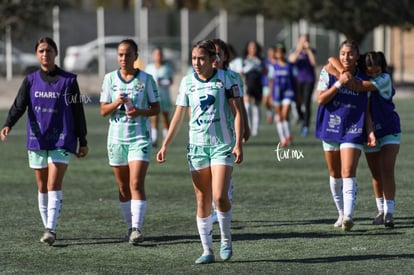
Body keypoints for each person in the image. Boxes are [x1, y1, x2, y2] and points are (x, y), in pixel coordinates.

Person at [156, 39, 244, 264]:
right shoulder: (187, 82)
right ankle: (207, 250)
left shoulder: (226, 79)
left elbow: (237, 112)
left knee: (220, 196)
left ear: (213, 60)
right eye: (194, 58)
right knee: (202, 199)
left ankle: (226, 239)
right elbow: (178, 116)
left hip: (222, 145)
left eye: (201, 58)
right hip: (197, 147)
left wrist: (238, 143)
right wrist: (165, 144)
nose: (196, 62)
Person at [0, 37, 88, 245]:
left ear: (55, 53)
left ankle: (51, 229)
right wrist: (8, 124)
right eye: (41, 51)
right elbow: (19, 105)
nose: (45, 54)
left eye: (48, 50)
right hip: (37, 139)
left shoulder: (69, 81)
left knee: (53, 184)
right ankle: (47, 225)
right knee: (42, 187)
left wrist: (82, 140)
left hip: (62, 138)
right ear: (36, 54)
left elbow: (78, 111)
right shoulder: (30, 80)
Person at [325, 51, 401, 228]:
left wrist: (339, 74)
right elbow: (330, 59)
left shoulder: (384, 79)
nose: (374, 75)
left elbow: (358, 87)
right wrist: (370, 130)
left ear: (383, 69)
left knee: (387, 170)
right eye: (370, 72)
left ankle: (390, 213)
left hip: (390, 130)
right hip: (368, 131)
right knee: (376, 174)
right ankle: (381, 211)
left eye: (377, 71)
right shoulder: (360, 77)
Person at [100, 38, 160, 245]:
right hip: (116, 140)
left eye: (127, 54)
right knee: (123, 188)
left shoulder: (146, 79)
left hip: (139, 139)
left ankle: (136, 229)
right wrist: (117, 102)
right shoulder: (109, 79)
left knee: (136, 183)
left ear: (136, 56)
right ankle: (129, 227)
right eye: (120, 54)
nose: (123, 58)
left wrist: (138, 112)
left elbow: (156, 108)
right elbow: (103, 110)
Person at [315, 39, 369, 231]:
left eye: (351, 53)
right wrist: (339, 83)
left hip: (353, 127)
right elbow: (321, 100)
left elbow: (367, 104)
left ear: (357, 56)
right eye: (343, 53)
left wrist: (369, 131)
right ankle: (340, 212)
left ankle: (348, 216)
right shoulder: (328, 71)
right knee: (334, 174)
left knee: (348, 172)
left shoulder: (363, 78)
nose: (347, 57)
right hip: (330, 126)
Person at [210, 38, 250, 224]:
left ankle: (223, 203)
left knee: (225, 171)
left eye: (220, 53)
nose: (216, 56)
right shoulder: (201, 76)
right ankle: (217, 205)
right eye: (212, 52)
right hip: (207, 132)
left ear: (226, 56)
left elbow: (240, 106)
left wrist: (246, 127)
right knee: (209, 172)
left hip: (228, 131)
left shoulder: (233, 78)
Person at [145, 47, 174, 147]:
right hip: (153, 97)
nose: (158, 56)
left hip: (164, 96)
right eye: (156, 54)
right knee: (154, 118)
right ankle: (154, 139)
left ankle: (167, 138)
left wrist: (162, 82)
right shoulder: (149, 68)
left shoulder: (167, 67)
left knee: (165, 117)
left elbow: (171, 81)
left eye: (160, 54)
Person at [268, 43, 297, 147]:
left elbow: (295, 80)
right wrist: (270, 96)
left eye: (281, 51)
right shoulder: (273, 67)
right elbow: (271, 81)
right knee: (280, 117)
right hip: (277, 93)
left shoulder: (290, 65)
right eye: (277, 52)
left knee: (285, 114)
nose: (279, 54)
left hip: (288, 92)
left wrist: (298, 94)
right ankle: (283, 138)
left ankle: (288, 135)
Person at [288, 34, 317, 136]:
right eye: (302, 40)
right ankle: (301, 116)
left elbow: (314, 63)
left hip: (309, 80)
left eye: (306, 40)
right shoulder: (294, 50)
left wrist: (308, 50)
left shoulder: (312, 51)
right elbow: (292, 60)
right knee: (296, 102)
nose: (304, 42)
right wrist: (299, 49)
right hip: (297, 80)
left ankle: (306, 126)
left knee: (307, 102)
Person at [241, 40, 266, 136]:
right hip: (247, 84)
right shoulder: (244, 59)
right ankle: (249, 126)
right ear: (248, 48)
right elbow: (241, 72)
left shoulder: (260, 59)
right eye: (251, 47)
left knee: (256, 106)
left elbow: (264, 71)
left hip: (258, 85)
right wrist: (246, 69)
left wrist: (258, 68)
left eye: (254, 47)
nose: (253, 49)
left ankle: (256, 128)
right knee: (247, 105)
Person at [263, 46, 276, 123]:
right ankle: (269, 111)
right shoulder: (266, 62)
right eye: (269, 52)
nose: (271, 53)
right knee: (265, 101)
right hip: (266, 83)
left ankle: (275, 114)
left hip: (276, 84)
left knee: (274, 100)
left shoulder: (277, 62)